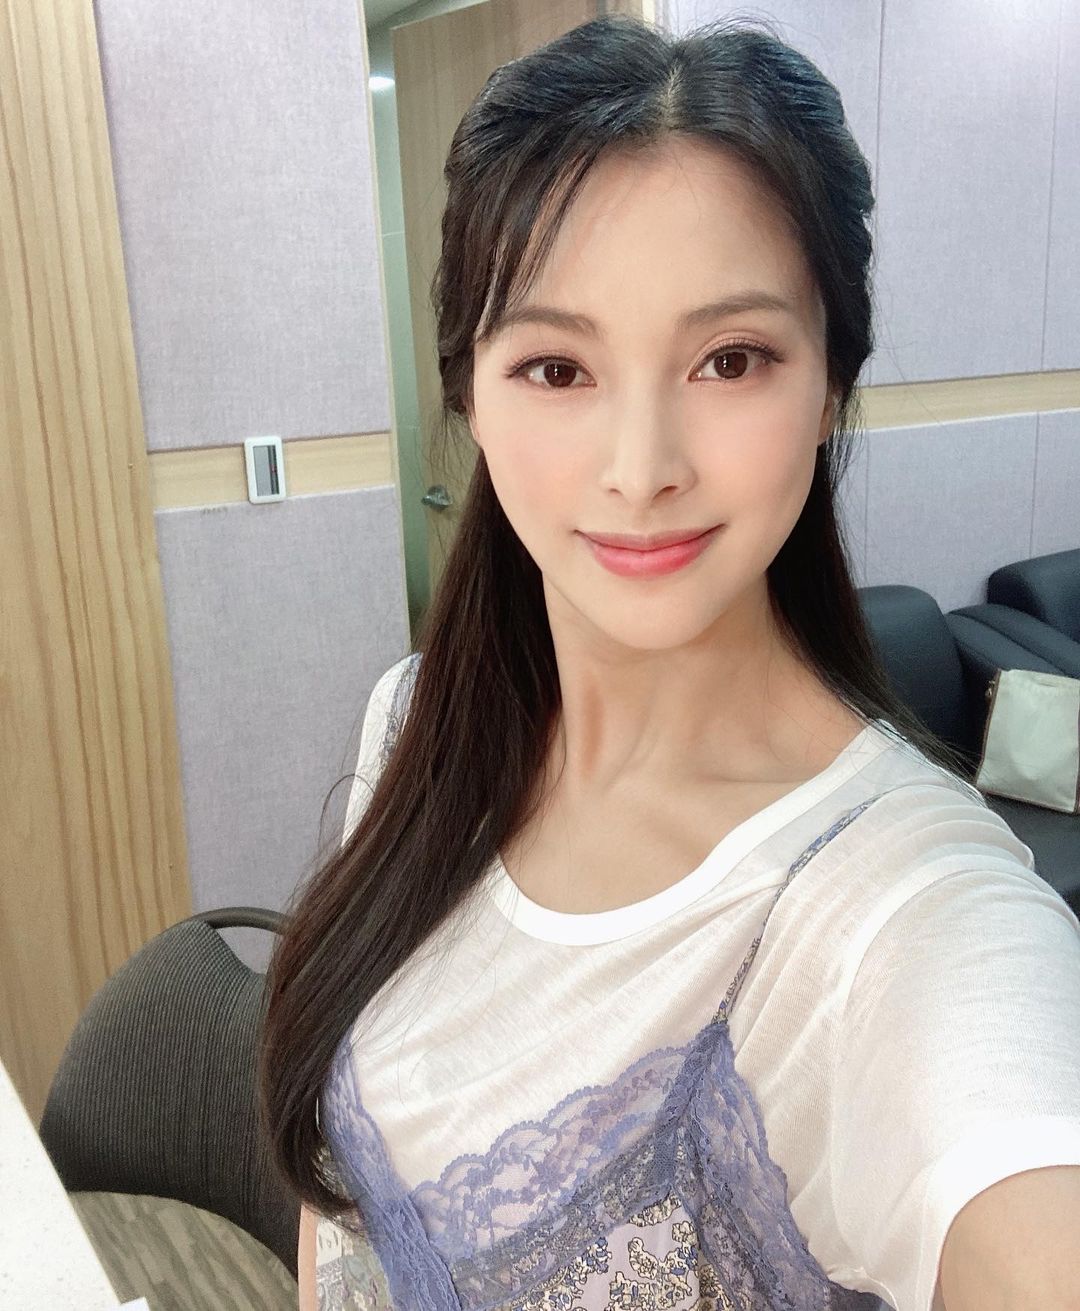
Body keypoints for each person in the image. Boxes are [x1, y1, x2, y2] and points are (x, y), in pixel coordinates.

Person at [260, 14, 1080, 1311]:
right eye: (556, 367)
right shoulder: (415, 723)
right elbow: (347, 1202)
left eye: (729, 360)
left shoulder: (903, 921)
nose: (641, 468)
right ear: (470, 393)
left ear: (830, 384)